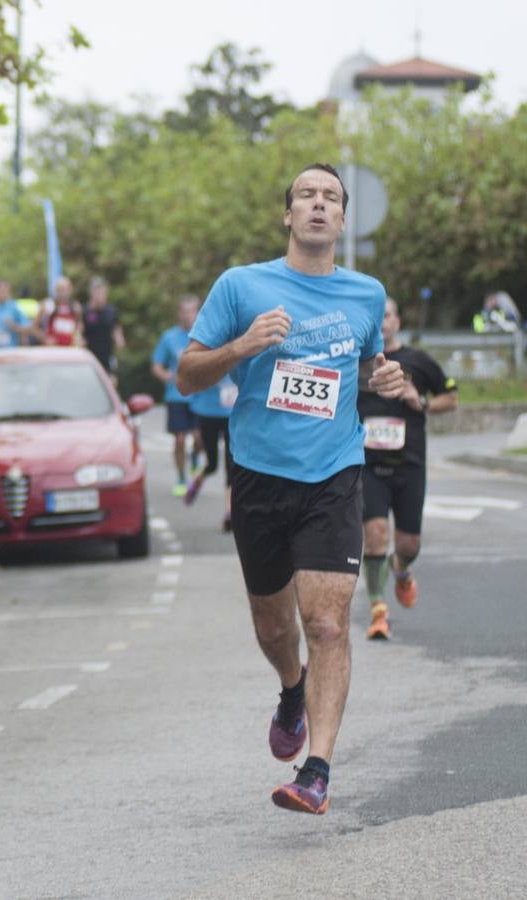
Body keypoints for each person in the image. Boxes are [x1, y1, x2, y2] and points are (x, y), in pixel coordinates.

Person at [177, 162, 405, 816]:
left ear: (341, 218)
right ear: (287, 214)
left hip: (333, 474)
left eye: (330, 197)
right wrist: (244, 345)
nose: (317, 205)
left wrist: (381, 378)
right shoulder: (241, 286)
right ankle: (290, 686)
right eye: (305, 195)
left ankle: (319, 771)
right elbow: (190, 376)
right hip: (258, 473)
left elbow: (364, 366)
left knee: (328, 620)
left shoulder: (365, 294)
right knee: (273, 624)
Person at [359, 298, 458, 639]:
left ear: (397, 322)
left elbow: (452, 398)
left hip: (410, 465)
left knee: (409, 545)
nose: (381, 322)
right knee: (374, 536)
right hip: (368, 465)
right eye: (376, 317)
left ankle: (399, 569)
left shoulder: (418, 361)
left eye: (386, 316)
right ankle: (378, 611)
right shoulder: (359, 363)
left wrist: (423, 401)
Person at [151, 295, 202, 496]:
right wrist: (166, 377)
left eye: (192, 311)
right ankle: (181, 476)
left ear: (197, 313)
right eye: (184, 311)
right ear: (178, 314)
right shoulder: (169, 337)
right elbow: (156, 365)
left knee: (200, 439)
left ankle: (196, 456)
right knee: (179, 439)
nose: (188, 316)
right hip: (177, 396)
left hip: (200, 396)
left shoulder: (204, 334)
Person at [185, 373, 237, 531]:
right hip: (207, 413)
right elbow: (191, 386)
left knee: (231, 465)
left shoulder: (238, 352)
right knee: (212, 464)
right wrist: (194, 428)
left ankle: (229, 511)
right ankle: (197, 481)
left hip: (230, 414)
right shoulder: (207, 351)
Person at [82, 276, 125, 375]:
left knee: (111, 381)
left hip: (107, 356)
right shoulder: (85, 311)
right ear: (91, 293)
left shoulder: (111, 311)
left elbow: (116, 328)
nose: (100, 295)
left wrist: (119, 339)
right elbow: (80, 331)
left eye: (102, 291)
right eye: (97, 291)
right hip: (90, 356)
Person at [0, 278, 37, 347]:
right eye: (0, 290)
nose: (3, 293)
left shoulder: (14, 307)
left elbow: (28, 329)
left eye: (5, 290)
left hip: (10, 350)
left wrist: (14, 326)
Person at [41, 276, 84, 347]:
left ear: (70, 290)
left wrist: (79, 338)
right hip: (52, 350)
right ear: (56, 290)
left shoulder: (76, 307)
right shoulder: (48, 305)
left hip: (70, 350)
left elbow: (79, 326)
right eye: (60, 289)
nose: (63, 292)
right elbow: (34, 327)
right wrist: (44, 338)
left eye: (65, 289)